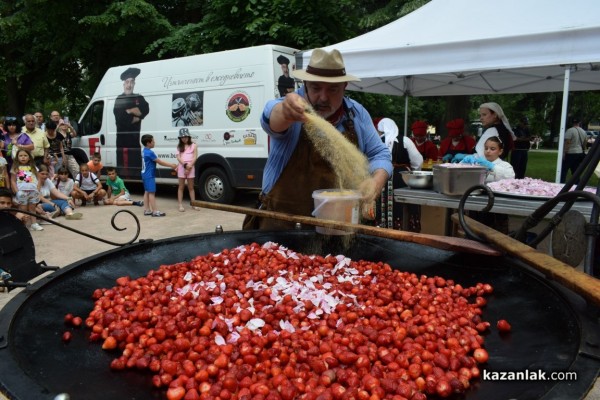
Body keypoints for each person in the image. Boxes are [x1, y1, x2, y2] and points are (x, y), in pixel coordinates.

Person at [246, 48, 392, 230]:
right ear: (305, 83)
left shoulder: (356, 114)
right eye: (315, 88)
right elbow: (271, 119)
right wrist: (286, 111)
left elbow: (380, 154)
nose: (323, 97)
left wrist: (376, 181)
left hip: (337, 228)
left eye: (333, 89)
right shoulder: (290, 107)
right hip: (281, 227)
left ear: (344, 86)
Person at [460, 136, 515, 234]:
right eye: (486, 148)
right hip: (477, 205)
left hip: (496, 207)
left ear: (500, 151)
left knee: (495, 236)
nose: (488, 151)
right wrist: (463, 163)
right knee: (474, 233)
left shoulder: (505, 166)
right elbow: (460, 174)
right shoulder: (477, 164)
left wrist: (492, 166)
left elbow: (509, 177)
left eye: (492, 149)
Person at [376, 118, 423, 231]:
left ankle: (383, 229)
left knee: (383, 203)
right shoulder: (405, 140)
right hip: (402, 177)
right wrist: (413, 172)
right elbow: (418, 160)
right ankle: (405, 230)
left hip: (382, 176)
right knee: (403, 204)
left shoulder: (376, 142)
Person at [113, 67, 149, 178]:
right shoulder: (119, 99)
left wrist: (130, 112)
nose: (129, 85)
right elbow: (121, 119)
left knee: (136, 170)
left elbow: (145, 110)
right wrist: (135, 113)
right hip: (123, 143)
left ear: (134, 83)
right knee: (124, 172)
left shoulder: (139, 98)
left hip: (135, 141)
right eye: (127, 82)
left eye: (132, 82)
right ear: (124, 84)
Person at [141, 134, 177, 217]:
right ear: (148, 143)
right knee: (151, 193)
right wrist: (171, 165)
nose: (154, 142)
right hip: (149, 175)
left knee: (147, 191)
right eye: (153, 141)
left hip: (144, 174)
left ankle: (146, 210)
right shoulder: (150, 153)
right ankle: (155, 211)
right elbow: (160, 162)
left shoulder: (144, 151)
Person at [10, 149, 43, 231]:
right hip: (22, 192)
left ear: (29, 157)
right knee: (23, 209)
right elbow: (13, 181)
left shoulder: (33, 167)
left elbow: (39, 178)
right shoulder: (15, 167)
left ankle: (34, 224)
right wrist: (17, 191)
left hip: (33, 191)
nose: (23, 157)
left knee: (32, 208)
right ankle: (23, 225)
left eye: (25, 155)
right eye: (20, 156)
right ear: (17, 157)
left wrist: (38, 188)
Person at [175, 128, 200, 212]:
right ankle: (180, 205)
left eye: (185, 137)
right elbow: (178, 157)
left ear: (188, 136)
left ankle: (194, 204)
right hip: (182, 167)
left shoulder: (194, 145)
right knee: (181, 187)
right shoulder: (179, 146)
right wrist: (185, 165)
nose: (184, 139)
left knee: (191, 187)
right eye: (182, 137)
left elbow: (195, 157)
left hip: (191, 167)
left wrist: (189, 166)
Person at [561, 117, 587, 183]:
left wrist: (565, 152)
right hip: (579, 152)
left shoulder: (570, 130)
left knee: (564, 169)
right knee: (575, 170)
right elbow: (584, 143)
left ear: (572, 123)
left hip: (571, 152)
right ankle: (576, 183)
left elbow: (568, 142)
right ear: (579, 123)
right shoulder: (583, 131)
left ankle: (561, 182)